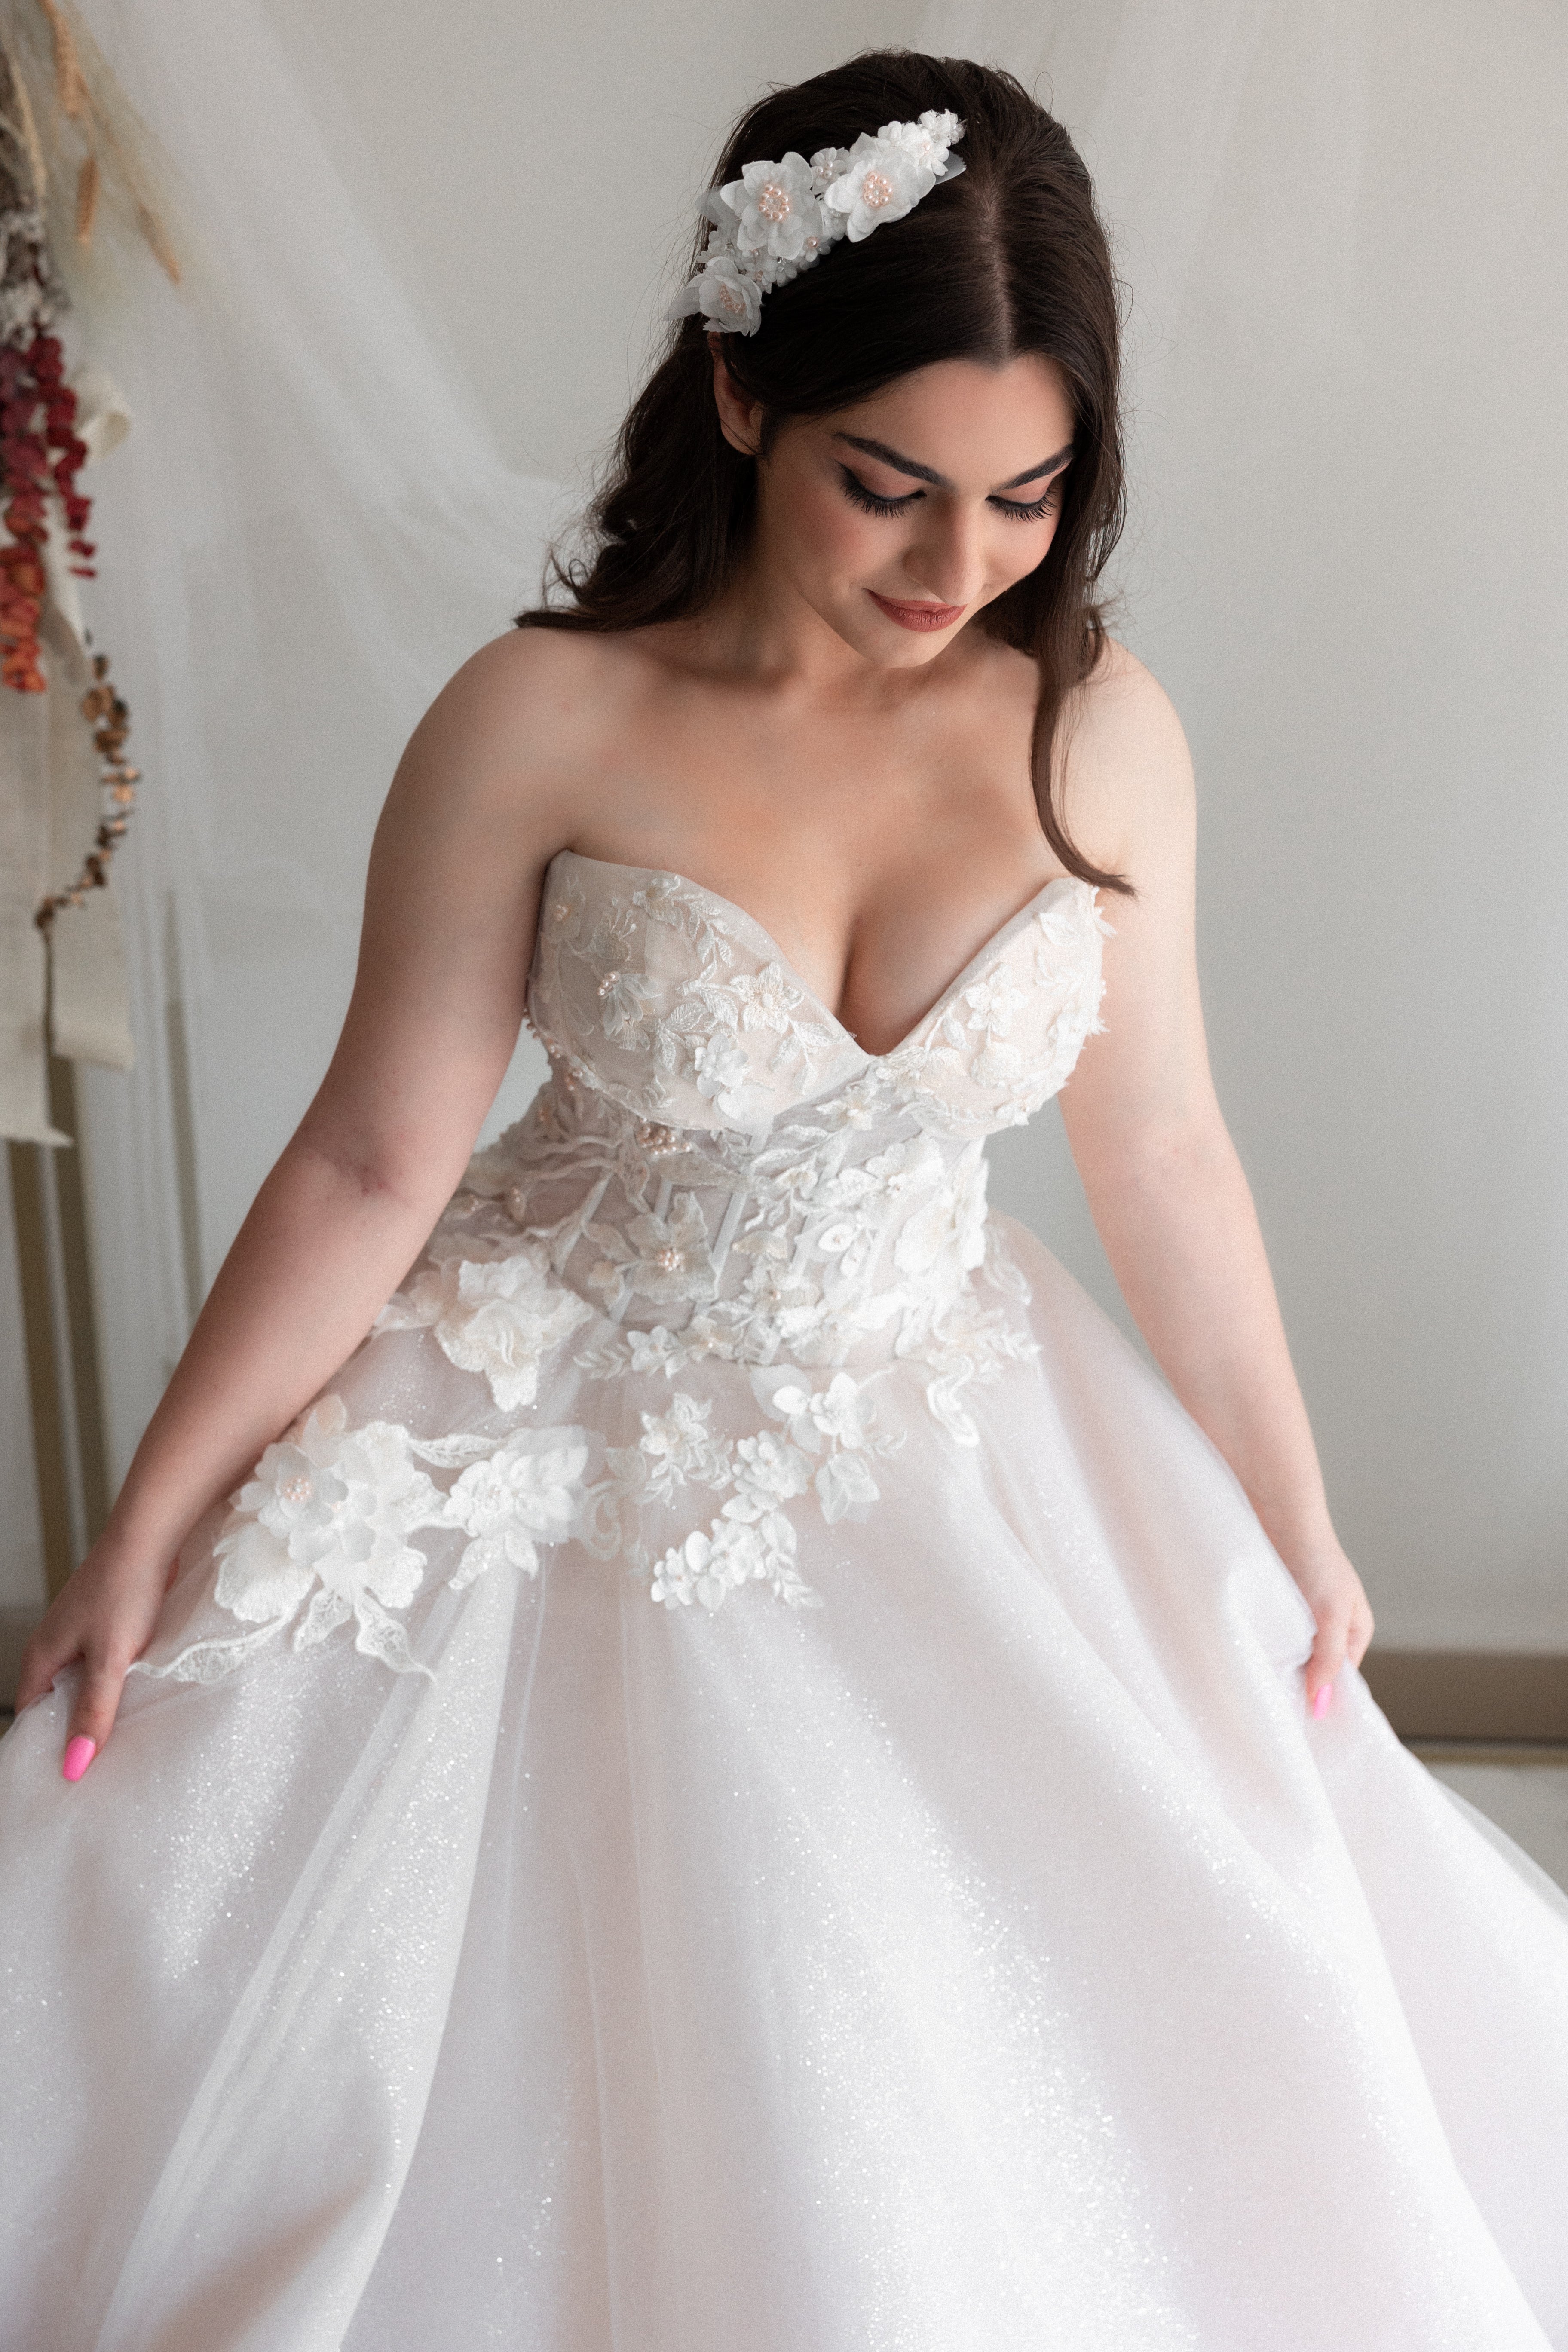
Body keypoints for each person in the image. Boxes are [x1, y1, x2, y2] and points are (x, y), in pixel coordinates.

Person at [2, 47, 1565, 2352]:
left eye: (1029, 496)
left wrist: (1297, 1519)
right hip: (545, 1439)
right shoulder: (540, 720)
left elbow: (1165, 1152)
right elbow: (372, 1153)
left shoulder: (1098, 727)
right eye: (888, 487)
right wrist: (152, 1517)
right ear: (739, 395)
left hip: (951, 1428)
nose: (957, 568)